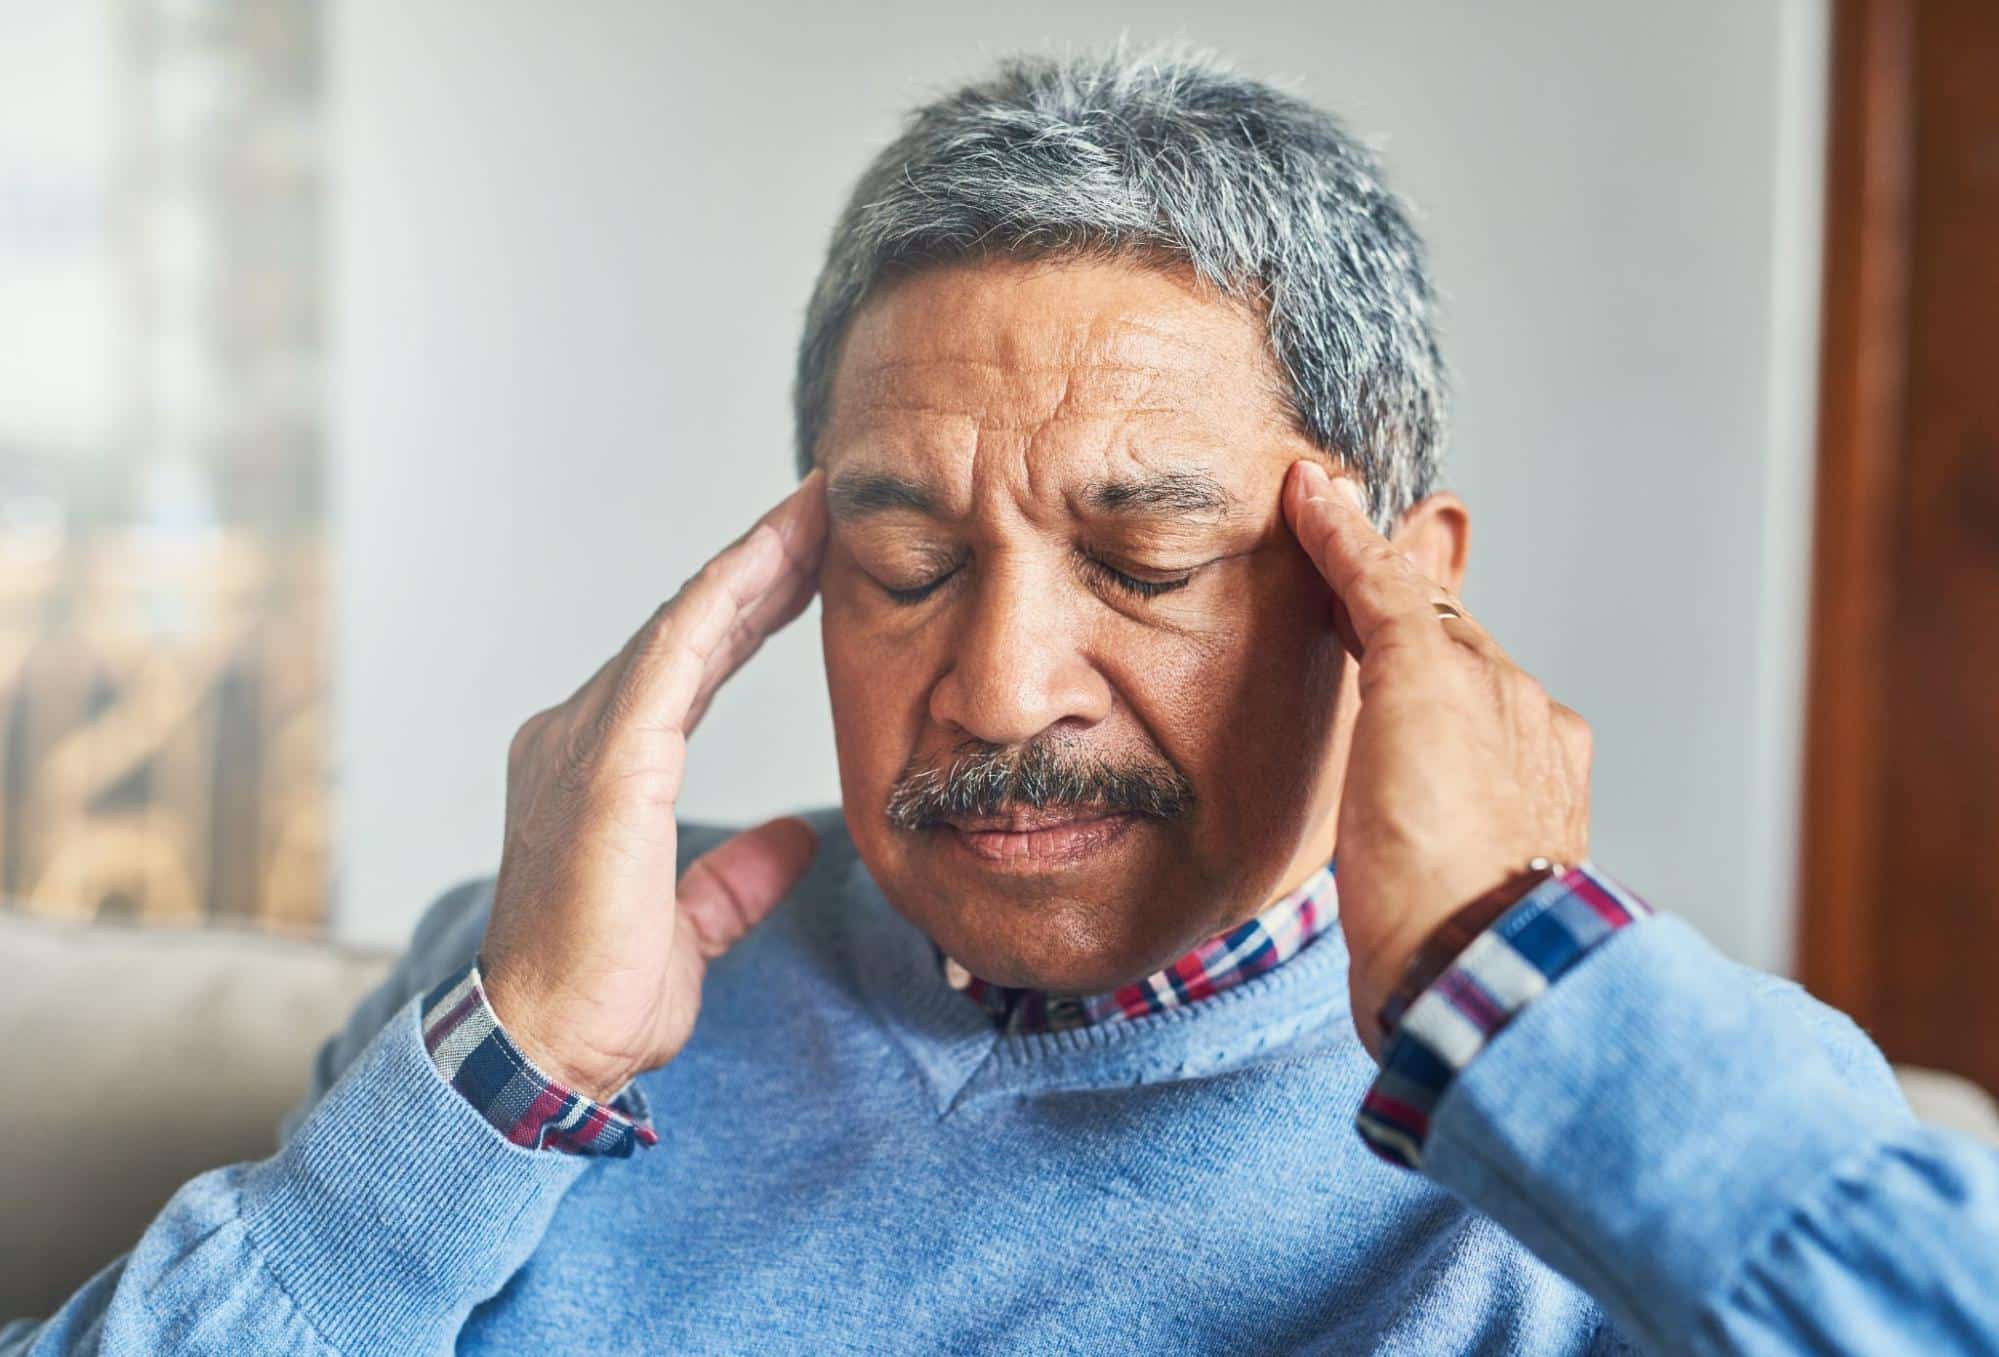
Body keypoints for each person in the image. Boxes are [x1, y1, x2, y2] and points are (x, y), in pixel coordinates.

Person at [0, 48, 1934, 1356]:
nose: (997, 680)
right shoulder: (550, 984)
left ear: (1388, 593)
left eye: (1146, 561)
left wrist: (1514, 980)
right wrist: (498, 1085)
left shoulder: (1602, 1119)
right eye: (906, 563)